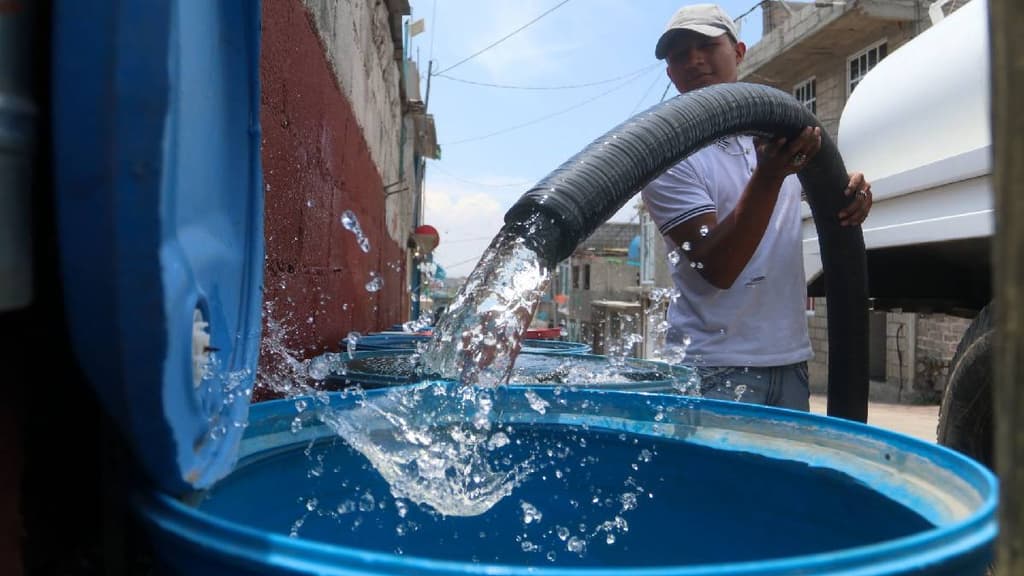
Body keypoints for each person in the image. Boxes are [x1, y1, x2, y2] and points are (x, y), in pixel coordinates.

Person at [641, 3, 873, 411]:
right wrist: (767, 177)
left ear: (740, 52)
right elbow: (718, 266)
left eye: (707, 45)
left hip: (790, 362)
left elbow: (821, 198)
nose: (694, 59)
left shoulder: (777, 137)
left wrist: (850, 194)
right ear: (670, 73)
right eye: (680, 54)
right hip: (711, 369)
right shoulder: (667, 156)